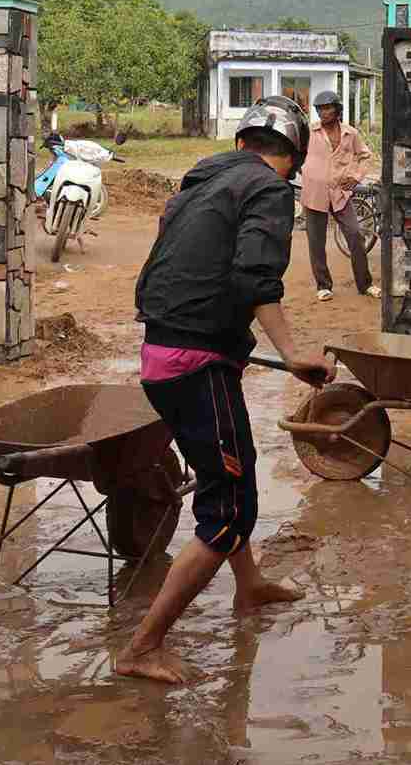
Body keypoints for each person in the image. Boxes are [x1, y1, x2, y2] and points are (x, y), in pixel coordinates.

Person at [118, 96, 334, 684]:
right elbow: (254, 278)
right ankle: (143, 647)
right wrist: (293, 356)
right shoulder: (267, 188)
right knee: (229, 504)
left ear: (241, 143)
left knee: (230, 472)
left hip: (165, 352)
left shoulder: (199, 184)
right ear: (290, 160)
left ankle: (250, 585)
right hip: (196, 366)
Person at [300, 89, 379, 303]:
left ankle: (366, 284)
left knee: (355, 235)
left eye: (328, 108)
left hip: (340, 193)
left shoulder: (350, 133)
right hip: (315, 193)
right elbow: (297, 154)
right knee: (316, 242)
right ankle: (323, 286)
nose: (323, 113)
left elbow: (364, 156)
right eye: (320, 109)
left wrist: (355, 176)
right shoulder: (309, 132)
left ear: (337, 110)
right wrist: (307, 172)